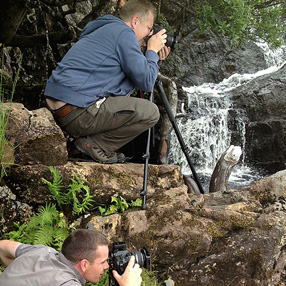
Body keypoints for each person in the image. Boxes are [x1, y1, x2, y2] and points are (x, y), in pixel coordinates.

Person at [44, 0, 171, 164]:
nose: (149, 34)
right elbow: (146, 82)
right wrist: (152, 52)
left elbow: (124, 85)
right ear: (135, 21)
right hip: (76, 112)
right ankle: (95, 145)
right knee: (151, 113)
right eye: (149, 28)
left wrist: (152, 58)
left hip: (60, 106)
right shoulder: (124, 34)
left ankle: (87, 143)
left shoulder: (103, 29)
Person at [0, 229, 142, 286]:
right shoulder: (66, 284)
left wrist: (19, 271)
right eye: (103, 262)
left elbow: (2, 246)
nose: (107, 266)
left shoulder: (43, 251)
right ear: (84, 264)